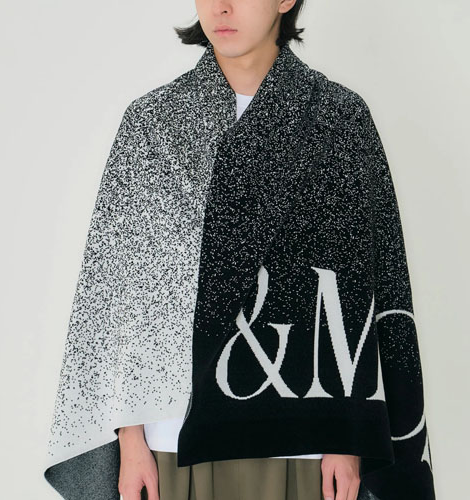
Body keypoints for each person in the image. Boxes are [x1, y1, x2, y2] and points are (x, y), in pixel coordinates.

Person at [44, 1, 435, 499]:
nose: (222, 6)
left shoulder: (338, 118)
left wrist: (348, 436)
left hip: (307, 434)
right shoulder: (154, 124)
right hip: (174, 436)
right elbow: (120, 295)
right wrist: (131, 439)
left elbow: (360, 288)